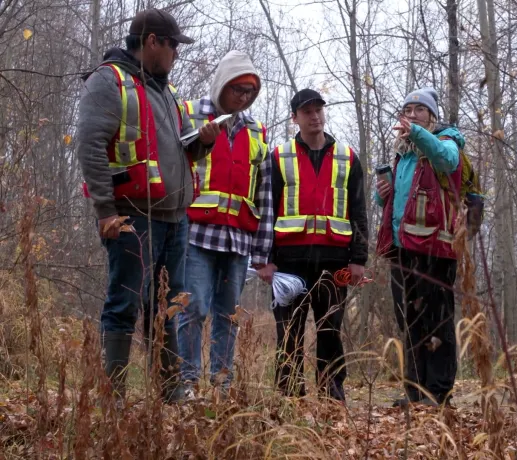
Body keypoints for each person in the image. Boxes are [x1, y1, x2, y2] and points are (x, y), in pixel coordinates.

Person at [77, 8, 221, 404]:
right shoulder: (109, 82)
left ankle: (170, 390)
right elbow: (88, 146)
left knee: (168, 306)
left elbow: (173, 150)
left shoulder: (165, 90)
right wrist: (105, 210)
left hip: (174, 219)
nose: (177, 53)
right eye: (173, 45)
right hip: (131, 217)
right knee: (124, 302)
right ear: (152, 42)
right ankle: (114, 397)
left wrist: (203, 142)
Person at [176, 51, 273, 396]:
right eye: (238, 88)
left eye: (250, 91)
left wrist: (261, 251)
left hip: (238, 241)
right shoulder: (189, 114)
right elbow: (175, 164)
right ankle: (185, 382)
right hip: (196, 235)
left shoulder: (256, 130)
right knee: (194, 307)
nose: (243, 96)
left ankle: (222, 385)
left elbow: (264, 192)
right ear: (222, 85)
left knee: (227, 317)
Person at [264, 89, 368, 402]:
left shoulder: (348, 158)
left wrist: (359, 258)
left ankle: (332, 394)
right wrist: (266, 259)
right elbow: (266, 210)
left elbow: (359, 212)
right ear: (294, 117)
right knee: (289, 333)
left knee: (331, 331)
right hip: (288, 263)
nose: (314, 116)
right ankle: (289, 395)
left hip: (335, 261)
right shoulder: (278, 157)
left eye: (318, 110)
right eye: (306, 111)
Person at [375, 88, 464, 407]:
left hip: (435, 250)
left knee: (436, 320)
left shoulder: (447, 141)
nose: (411, 115)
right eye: (407, 110)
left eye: (419, 110)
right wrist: (382, 193)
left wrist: (418, 134)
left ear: (432, 117)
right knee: (408, 320)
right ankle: (415, 392)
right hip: (402, 250)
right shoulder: (403, 154)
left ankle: (439, 393)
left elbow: (448, 161)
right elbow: (394, 201)